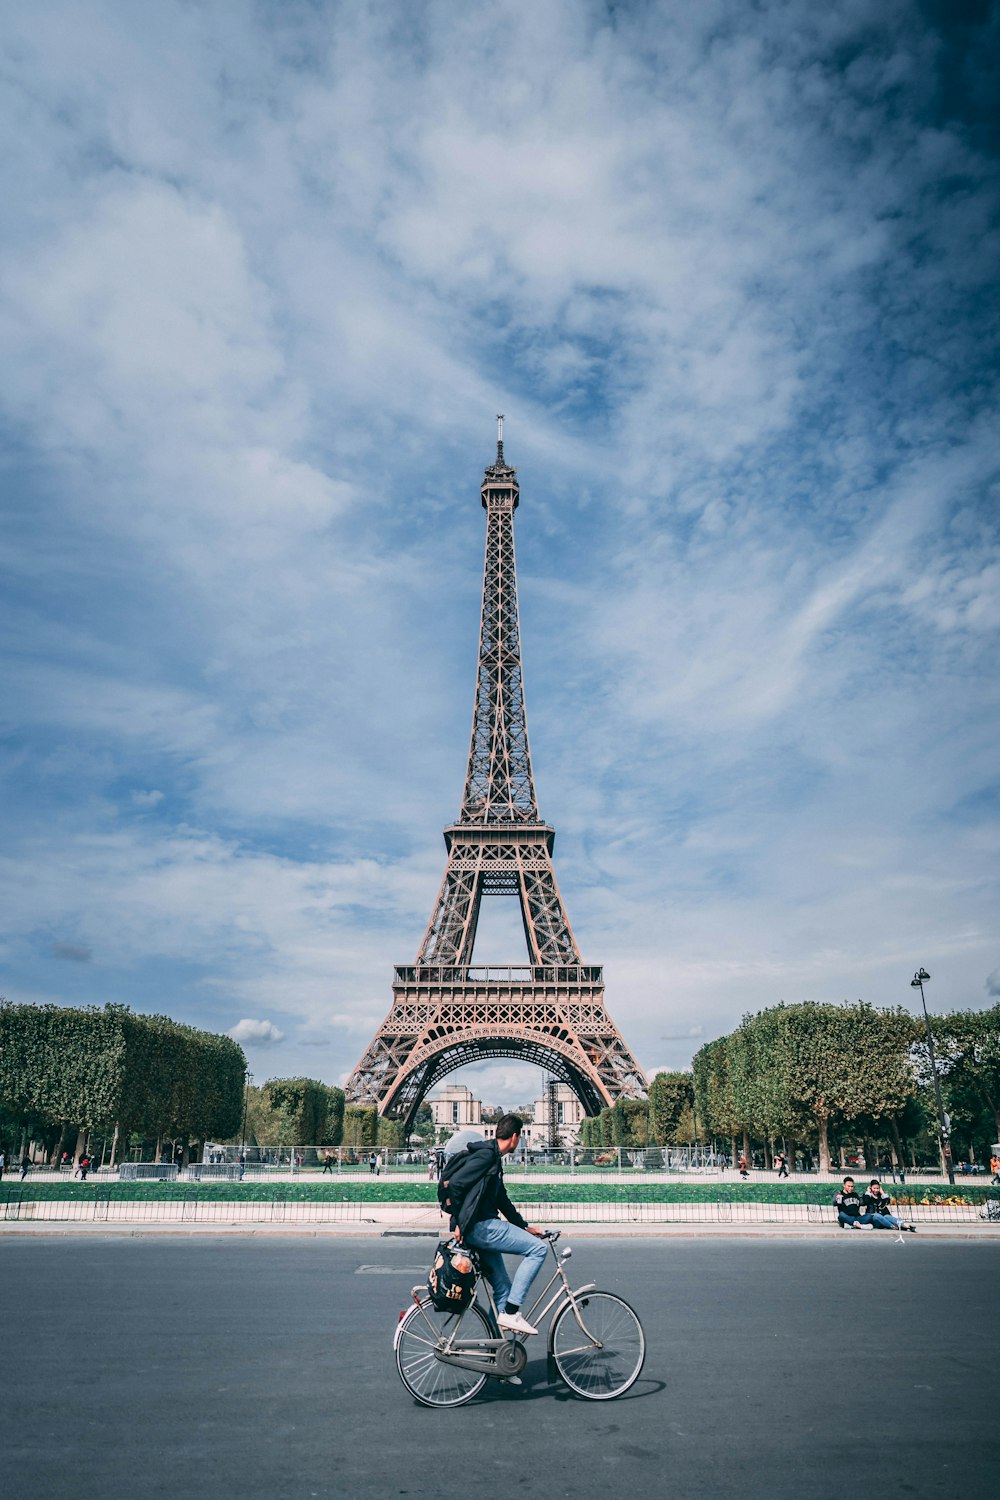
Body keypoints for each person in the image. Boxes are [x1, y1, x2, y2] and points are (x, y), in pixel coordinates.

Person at [441, 1114, 548, 1336]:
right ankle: (511, 1312)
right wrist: (460, 1221)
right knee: (538, 1249)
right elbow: (457, 1185)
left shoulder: (492, 1156)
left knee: (502, 1289)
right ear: (516, 1137)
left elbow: (501, 1200)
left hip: (479, 1228)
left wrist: (524, 1227)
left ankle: (496, 1358)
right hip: (482, 1227)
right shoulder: (487, 1157)